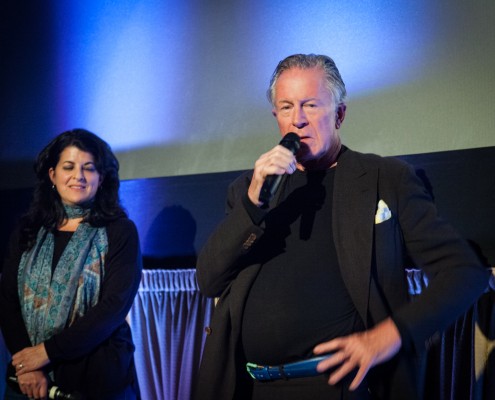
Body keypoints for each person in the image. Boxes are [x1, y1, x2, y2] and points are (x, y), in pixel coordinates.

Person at [194, 54, 489, 400]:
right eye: (286, 107)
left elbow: (464, 273)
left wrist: (389, 336)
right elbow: (209, 280)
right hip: (252, 388)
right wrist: (252, 205)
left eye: (310, 105)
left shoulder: (385, 179)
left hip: (340, 387)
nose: (297, 120)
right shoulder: (250, 189)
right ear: (276, 117)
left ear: (339, 114)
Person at [0, 129, 142, 400]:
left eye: (89, 168)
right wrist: (27, 364)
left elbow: (113, 307)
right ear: (52, 175)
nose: (79, 176)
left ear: (101, 178)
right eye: (69, 167)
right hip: (28, 381)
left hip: (95, 380)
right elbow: (7, 301)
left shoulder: (120, 232)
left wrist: (46, 352)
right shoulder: (27, 231)